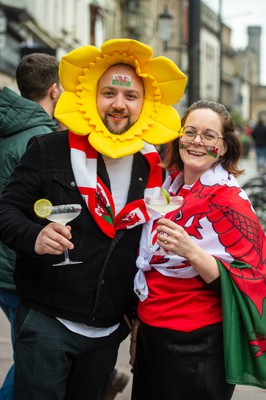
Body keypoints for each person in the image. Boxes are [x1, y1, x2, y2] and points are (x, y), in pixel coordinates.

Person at [0, 38, 187, 400]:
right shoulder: (48, 149)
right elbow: (5, 211)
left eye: (130, 96)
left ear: (146, 104)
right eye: (109, 94)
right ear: (90, 97)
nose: (119, 105)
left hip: (106, 335)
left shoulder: (152, 168)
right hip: (46, 325)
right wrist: (33, 236)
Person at [131, 100, 266, 400]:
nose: (196, 141)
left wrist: (191, 251)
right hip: (152, 333)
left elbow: (251, 282)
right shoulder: (168, 189)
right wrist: (139, 325)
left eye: (208, 135)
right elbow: (149, 266)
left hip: (196, 344)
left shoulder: (231, 200)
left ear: (225, 146)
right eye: (190, 132)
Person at [0, 52, 62, 400]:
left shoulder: (8, 127)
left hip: (4, 262)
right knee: (28, 359)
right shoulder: (39, 138)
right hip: (21, 263)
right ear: (54, 90)